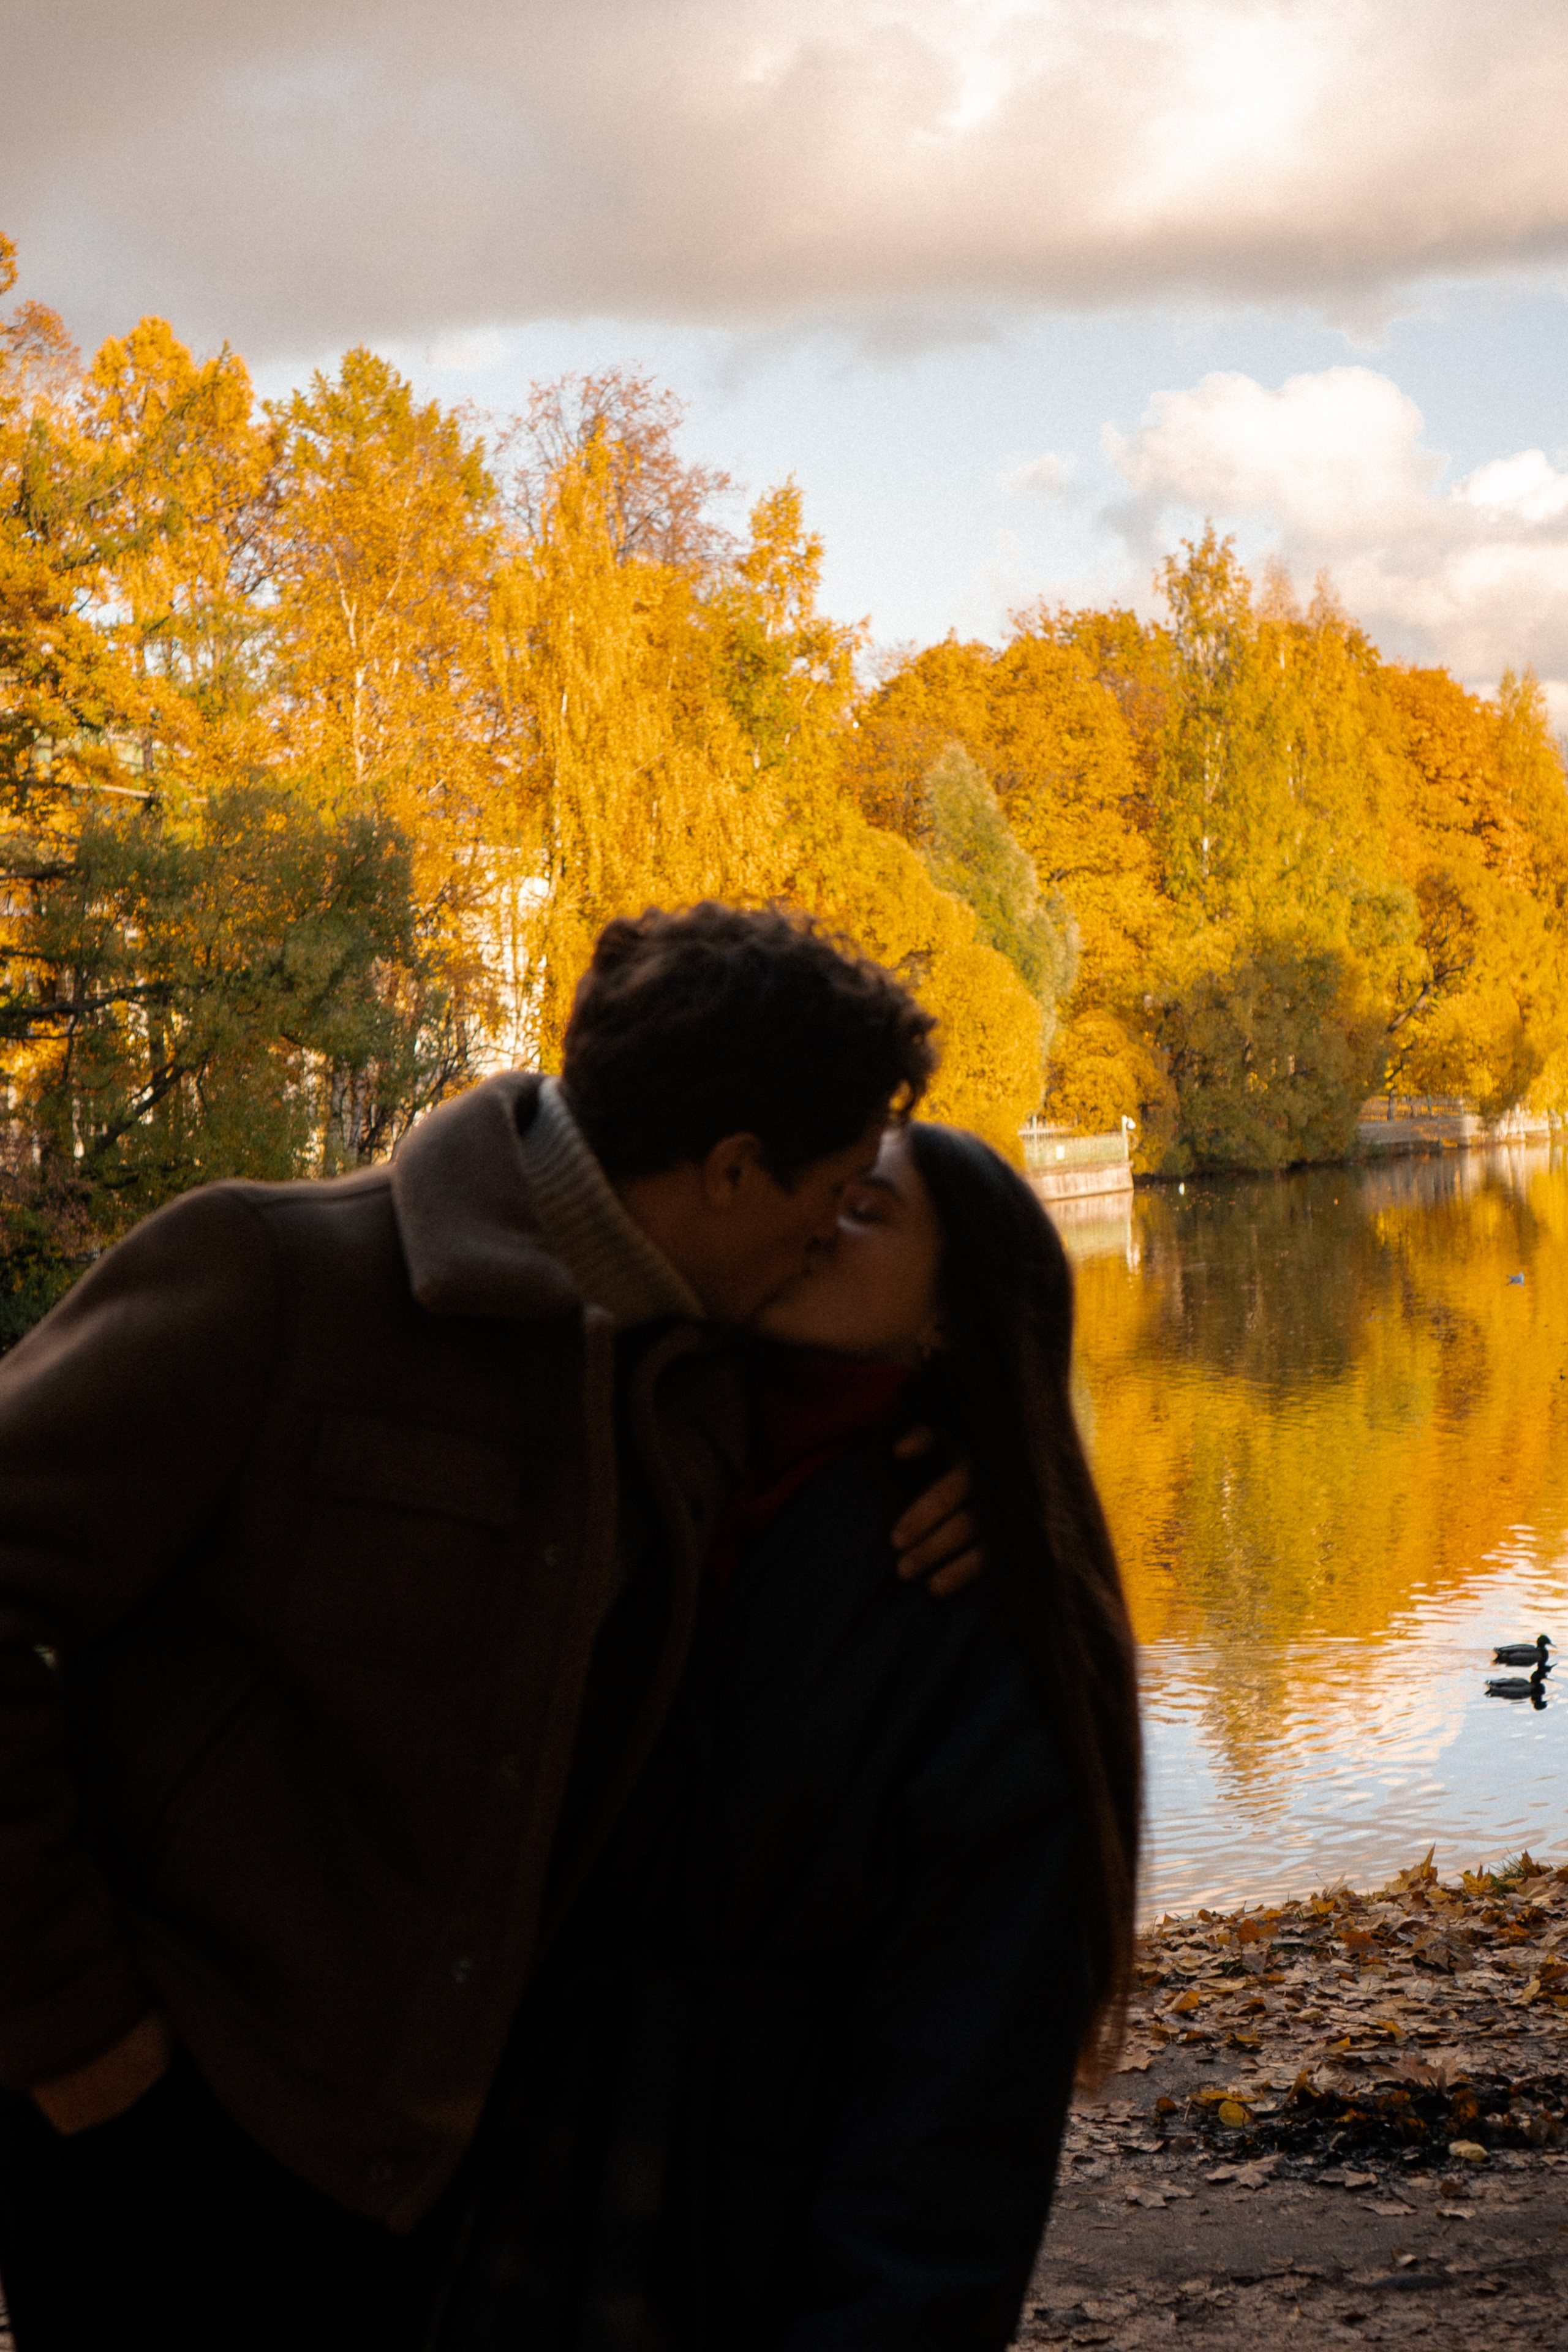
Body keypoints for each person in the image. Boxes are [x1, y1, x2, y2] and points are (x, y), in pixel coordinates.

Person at [0, 905, 981, 2352]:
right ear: (727, 1172)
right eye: (831, 1192)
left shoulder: (700, 1377)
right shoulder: (276, 1280)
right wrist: (80, 2036)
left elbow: (894, 1413)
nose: (835, 1232)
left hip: (466, 2182)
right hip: (162, 2151)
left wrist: (996, 1468)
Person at [428, 1118, 1142, 2352]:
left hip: (746, 2218)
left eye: (861, 1212)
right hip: (506, 2168)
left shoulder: (984, 1608)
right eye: (814, 1189)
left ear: (953, 1317)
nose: (812, 1223)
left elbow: (958, 2093)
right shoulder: (634, 1432)